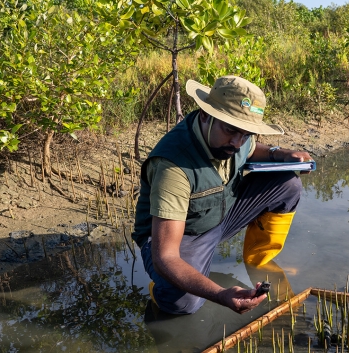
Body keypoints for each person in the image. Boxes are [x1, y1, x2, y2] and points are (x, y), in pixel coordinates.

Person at [132, 75, 312, 315]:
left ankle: (259, 260)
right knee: (182, 302)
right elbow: (166, 257)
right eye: (231, 131)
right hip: (184, 235)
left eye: (246, 133)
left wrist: (280, 153)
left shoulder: (234, 140)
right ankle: (161, 291)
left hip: (223, 214)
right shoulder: (173, 166)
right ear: (205, 115)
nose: (237, 143)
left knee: (288, 184)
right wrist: (221, 293)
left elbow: (249, 149)